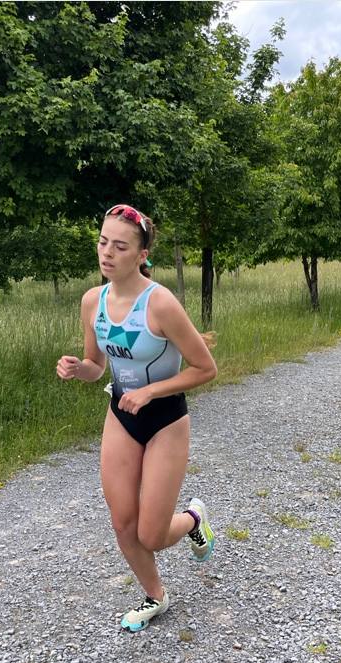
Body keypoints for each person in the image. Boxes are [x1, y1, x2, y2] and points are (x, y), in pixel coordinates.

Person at [56, 203, 218, 632]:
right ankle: (155, 595)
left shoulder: (161, 303)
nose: (107, 253)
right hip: (121, 415)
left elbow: (205, 369)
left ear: (142, 254)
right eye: (103, 242)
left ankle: (193, 520)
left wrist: (150, 391)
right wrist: (79, 369)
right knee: (122, 522)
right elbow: (96, 366)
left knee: (151, 533)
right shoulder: (93, 300)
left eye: (120, 246)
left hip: (165, 419)